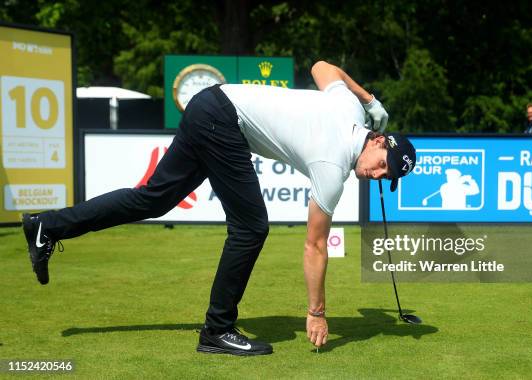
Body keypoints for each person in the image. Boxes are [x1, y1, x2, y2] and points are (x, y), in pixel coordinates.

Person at [22, 60, 416, 356]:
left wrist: (367, 99)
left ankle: (47, 226)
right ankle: (217, 330)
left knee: (153, 199)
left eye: (387, 177)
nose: (378, 175)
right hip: (222, 119)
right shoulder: (332, 167)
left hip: (210, 104)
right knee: (251, 228)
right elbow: (314, 245)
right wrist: (316, 312)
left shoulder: (349, 108)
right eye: (383, 164)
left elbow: (322, 67)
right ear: (378, 140)